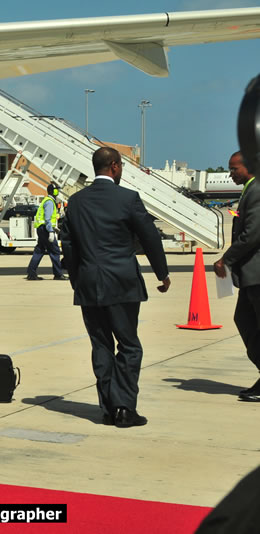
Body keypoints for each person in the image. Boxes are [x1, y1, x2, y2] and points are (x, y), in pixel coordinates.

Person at [60, 146, 170, 428]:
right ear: (116, 166)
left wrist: (77, 279)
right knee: (130, 346)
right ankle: (124, 407)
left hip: (88, 284)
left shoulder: (76, 202)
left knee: (101, 345)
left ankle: (108, 408)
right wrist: (162, 273)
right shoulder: (128, 198)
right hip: (121, 283)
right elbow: (149, 237)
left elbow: (69, 247)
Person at [214, 151, 260, 402]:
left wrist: (226, 259)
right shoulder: (250, 189)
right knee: (245, 321)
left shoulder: (257, 189)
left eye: (234, 169)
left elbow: (252, 234)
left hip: (257, 273)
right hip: (252, 275)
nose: (230, 173)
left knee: (249, 322)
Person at [26, 182, 66, 281]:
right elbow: (48, 219)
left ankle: (31, 273)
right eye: (56, 190)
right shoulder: (49, 202)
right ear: (52, 191)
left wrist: (54, 228)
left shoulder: (47, 200)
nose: (57, 192)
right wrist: (51, 231)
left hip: (42, 228)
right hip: (45, 229)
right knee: (55, 251)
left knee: (39, 250)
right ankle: (58, 274)